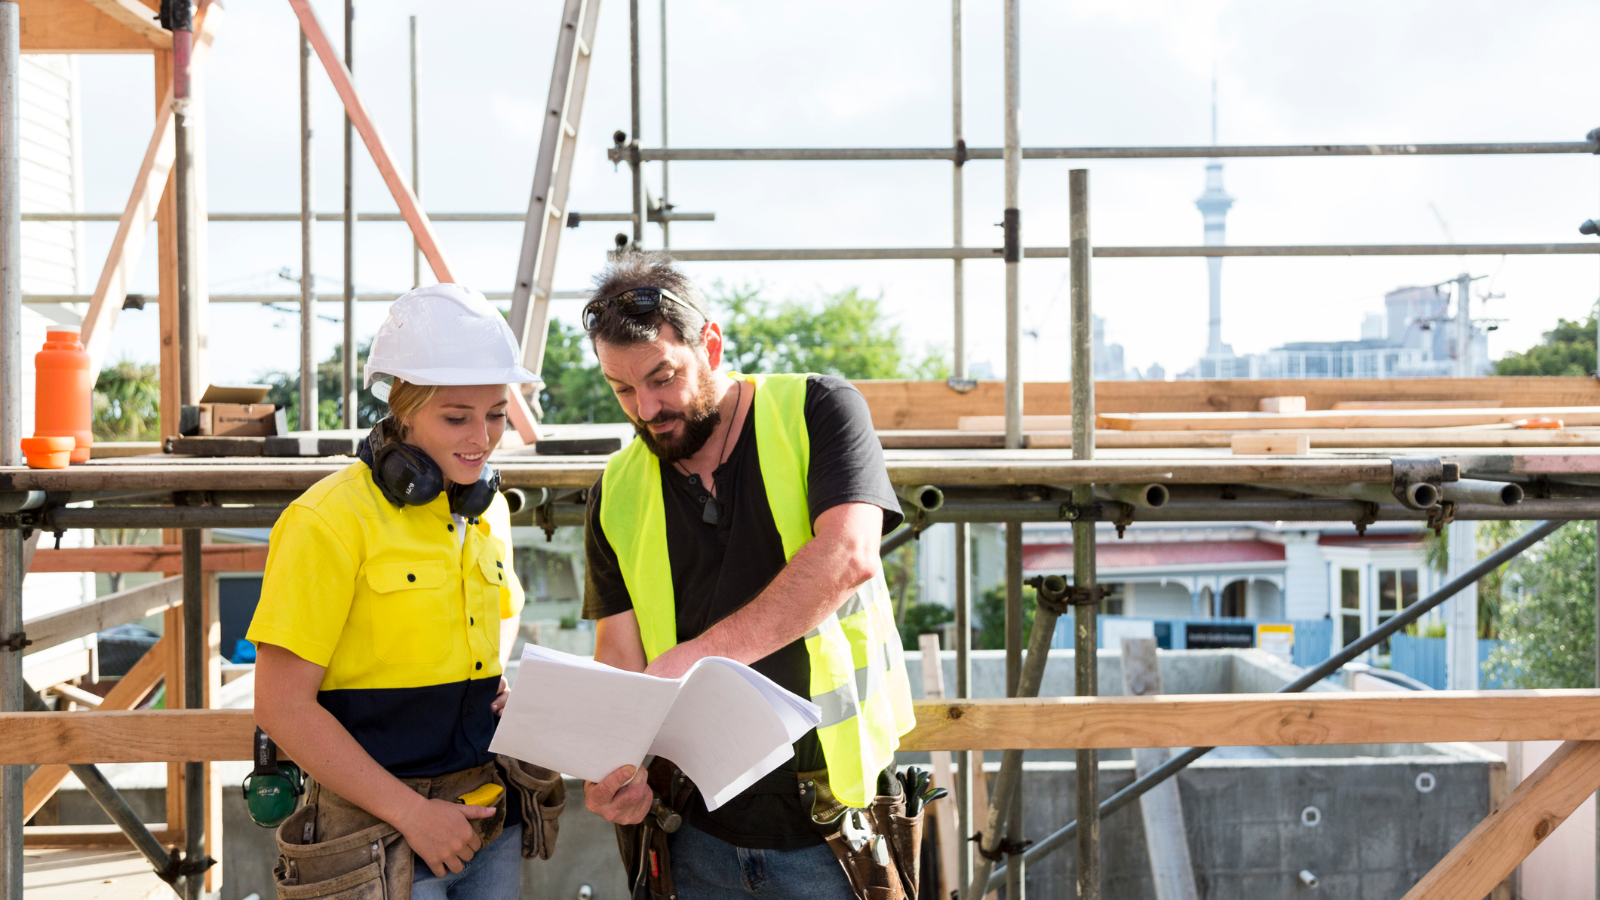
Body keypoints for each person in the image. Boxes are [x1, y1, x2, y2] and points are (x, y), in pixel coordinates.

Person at [578, 254, 917, 899]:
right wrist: (614, 766)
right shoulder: (616, 490)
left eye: (663, 377)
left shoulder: (820, 409)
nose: (647, 408)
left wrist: (696, 658)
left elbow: (848, 557)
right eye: (622, 389)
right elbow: (621, 657)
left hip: (832, 830)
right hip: (693, 836)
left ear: (710, 344)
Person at [249, 284, 564, 900]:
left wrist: (494, 682)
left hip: (484, 817)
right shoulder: (328, 521)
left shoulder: (486, 507)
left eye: (496, 413)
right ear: (403, 408)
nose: (482, 437)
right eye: (456, 416)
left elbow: (502, 613)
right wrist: (413, 815)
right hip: (374, 836)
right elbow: (281, 707)